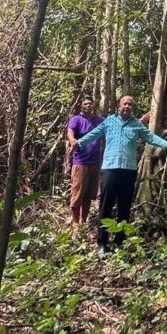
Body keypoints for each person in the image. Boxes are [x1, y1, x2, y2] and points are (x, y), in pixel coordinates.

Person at [72, 94, 167, 255]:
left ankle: (120, 241)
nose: (127, 107)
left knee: (124, 207)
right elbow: (94, 133)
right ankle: (102, 243)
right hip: (110, 169)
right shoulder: (110, 121)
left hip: (128, 170)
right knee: (105, 206)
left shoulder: (137, 125)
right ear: (119, 105)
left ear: (133, 108)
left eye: (130, 105)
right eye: (125, 104)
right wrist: (79, 142)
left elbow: (150, 137)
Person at [66, 95, 104, 234]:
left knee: (89, 194)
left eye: (90, 104)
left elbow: (110, 125)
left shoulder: (98, 120)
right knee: (77, 194)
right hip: (81, 162)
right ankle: (75, 223)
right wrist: (72, 140)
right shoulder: (76, 119)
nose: (88, 106)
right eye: (86, 104)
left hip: (95, 163)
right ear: (82, 106)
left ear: (93, 105)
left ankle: (83, 220)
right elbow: (70, 132)